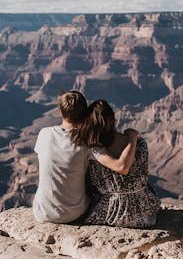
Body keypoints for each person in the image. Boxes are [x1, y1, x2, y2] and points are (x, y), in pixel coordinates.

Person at [32, 91, 139, 223]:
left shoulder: (44, 134)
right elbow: (122, 167)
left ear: (60, 112)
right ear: (85, 114)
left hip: (42, 212)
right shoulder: (86, 142)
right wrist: (133, 137)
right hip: (74, 215)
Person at [72, 99, 160, 228]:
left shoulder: (94, 150)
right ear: (114, 120)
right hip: (144, 214)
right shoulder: (139, 143)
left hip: (109, 213)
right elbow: (137, 172)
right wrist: (133, 137)